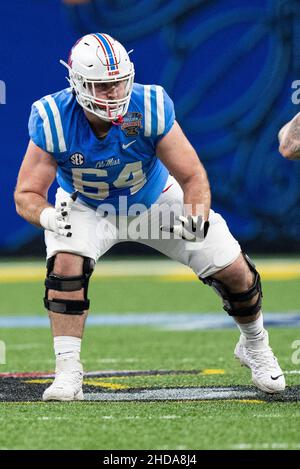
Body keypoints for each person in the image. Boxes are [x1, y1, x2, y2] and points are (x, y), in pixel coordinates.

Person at [14, 33, 285, 401]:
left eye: (118, 82)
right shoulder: (53, 117)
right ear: (78, 84)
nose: (113, 92)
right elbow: (26, 194)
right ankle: (67, 372)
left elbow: (192, 176)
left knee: (236, 271)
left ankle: (255, 345)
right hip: (87, 206)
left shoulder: (150, 105)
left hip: (154, 200)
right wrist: (48, 217)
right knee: (65, 267)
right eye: (102, 85)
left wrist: (196, 214)